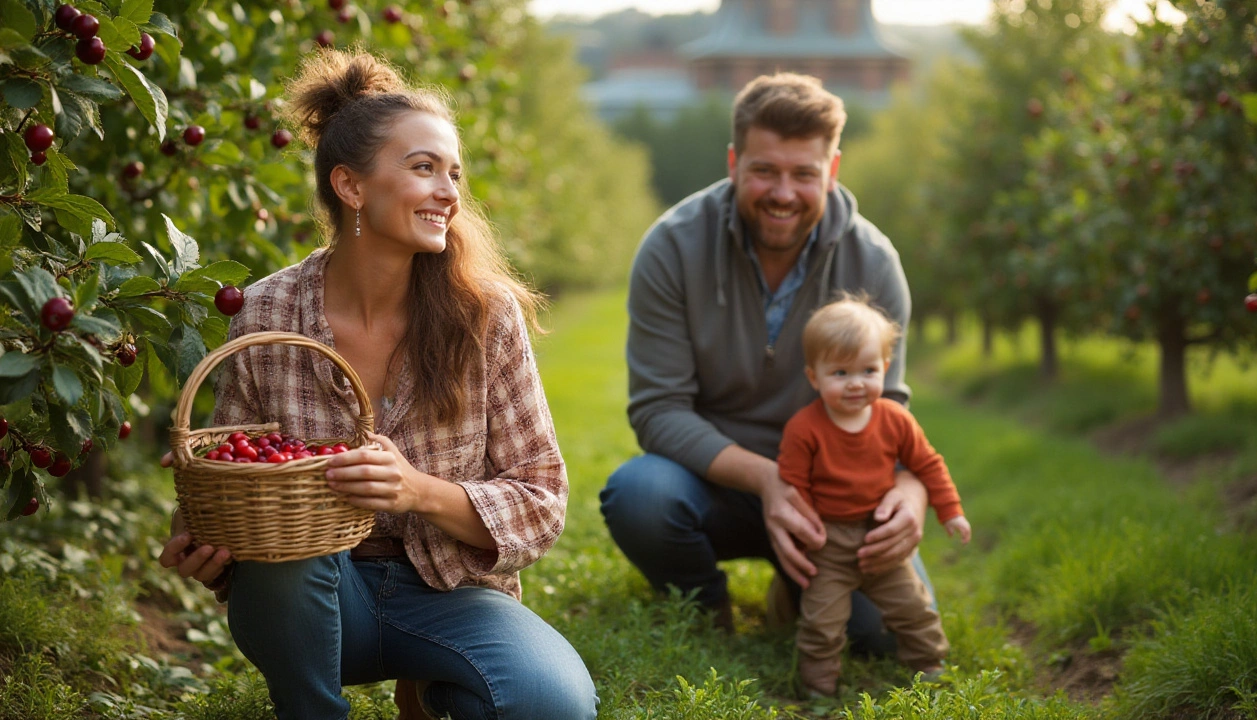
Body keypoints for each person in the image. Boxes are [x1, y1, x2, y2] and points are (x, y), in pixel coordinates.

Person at [157, 48, 596, 720]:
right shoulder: (266, 315)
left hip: (452, 593)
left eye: (454, 172)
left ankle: (433, 684)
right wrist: (202, 525)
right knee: (290, 551)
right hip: (317, 597)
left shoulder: (486, 314)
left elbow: (542, 500)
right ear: (352, 187)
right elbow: (235, 471)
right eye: (424, 168)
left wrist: (420, 491)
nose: (450, 191)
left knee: (550, 705)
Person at [599, 72, 932, 648]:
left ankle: (796, 588)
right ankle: (704, 608)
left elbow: (888, 413)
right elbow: (658, 410)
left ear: (831, 171)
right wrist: (769, 480)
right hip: (711, 482)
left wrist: (912, 490)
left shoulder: (872, 262)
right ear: (734, 162)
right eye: (764, 171)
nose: (783, 192)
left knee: (881, 640)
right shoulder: (673, 247)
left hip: (834, 495)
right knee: (640, 495)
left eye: (804, 174)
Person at [778, 295, 970, 696]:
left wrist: (950, 511)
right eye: (840, 372)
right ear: (814, 377)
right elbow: (794, 484)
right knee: (822, 622)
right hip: (828, 542)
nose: (856, 383)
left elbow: (927, 464)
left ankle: (929, 666)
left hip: (880, 537)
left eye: (868, 370)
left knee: (914, 608)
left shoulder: (895, 419)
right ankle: (818, 689)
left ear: (885, 368)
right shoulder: (805, 428)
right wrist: (807, 531)